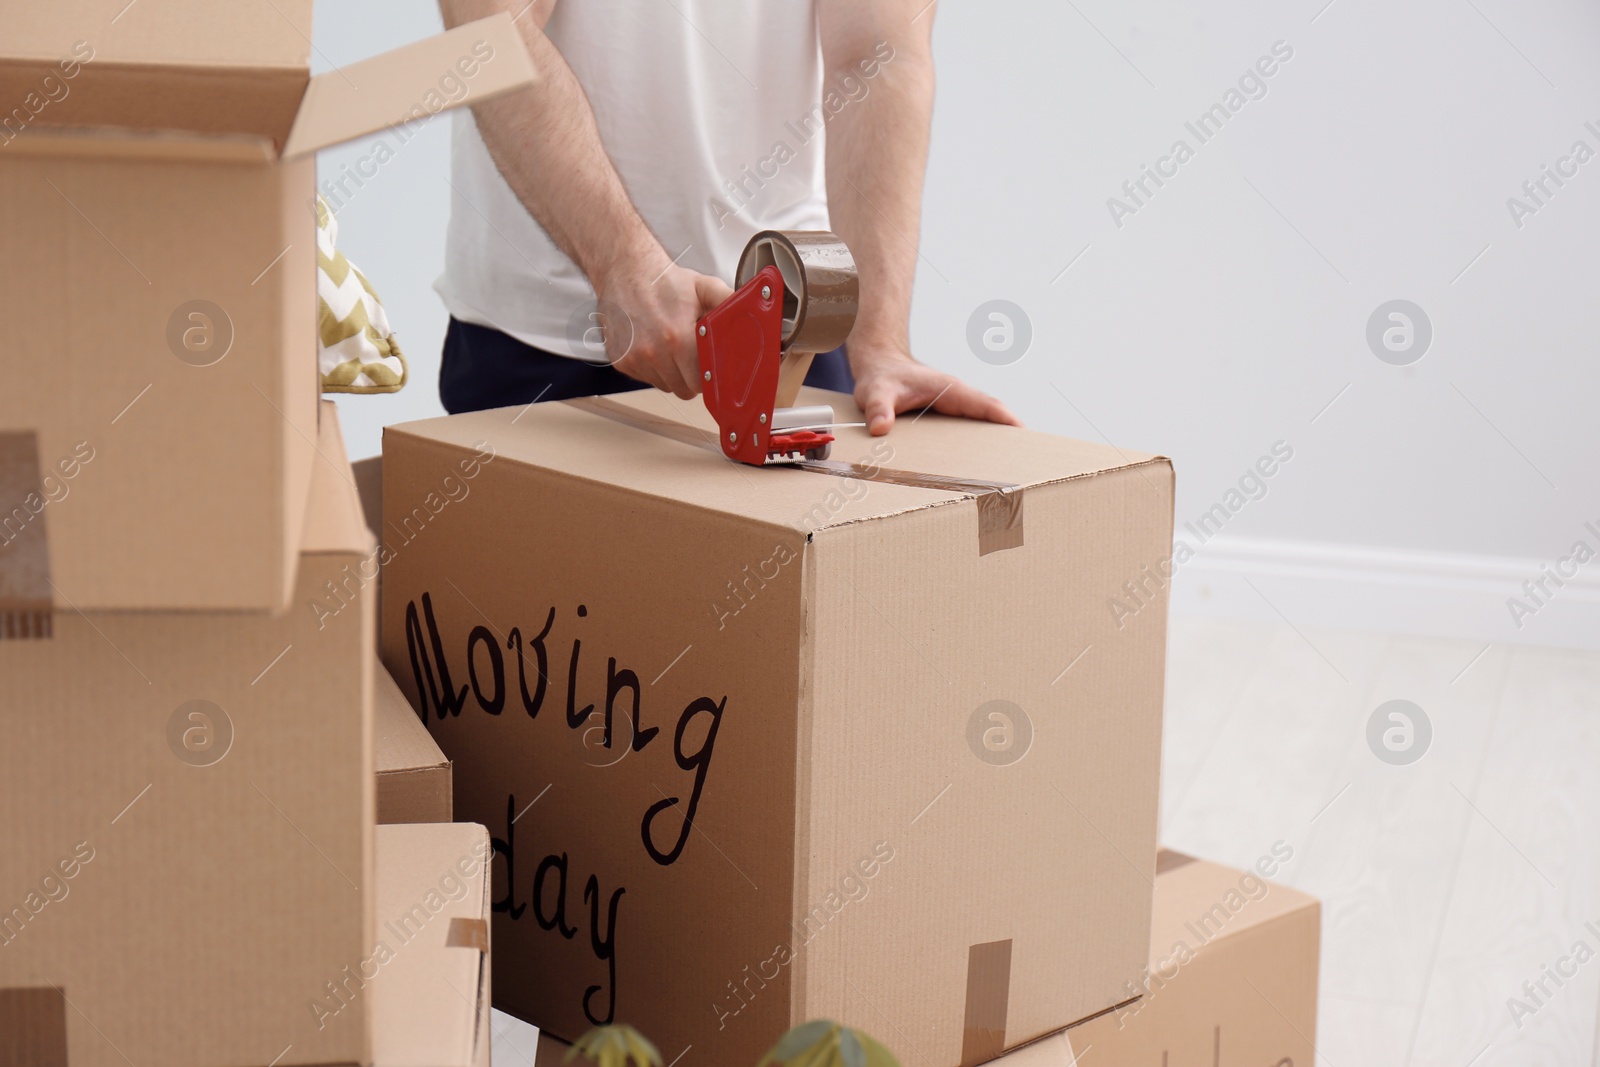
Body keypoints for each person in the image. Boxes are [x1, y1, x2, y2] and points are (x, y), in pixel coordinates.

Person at [435, 0, 1020, 435]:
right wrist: (621, 266)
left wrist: (879, 342)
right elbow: (492, 38)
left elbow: (877, 58)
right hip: (542, 341)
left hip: (791, 342)